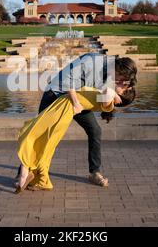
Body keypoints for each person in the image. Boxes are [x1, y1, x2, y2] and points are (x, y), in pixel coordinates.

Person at [15, 53, 138, 189]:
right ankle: (23, 174)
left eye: (123, 82)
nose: (119, 83)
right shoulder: (91, 61)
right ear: (117, 68)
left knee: (95, 131)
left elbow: (101, 95)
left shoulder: (111, 73)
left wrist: (109, 107)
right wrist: (75, 103)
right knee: (40, 134)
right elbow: (69, 81)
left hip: (78, 101)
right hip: (56, 95)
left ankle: (94, 172)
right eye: (121, 79)